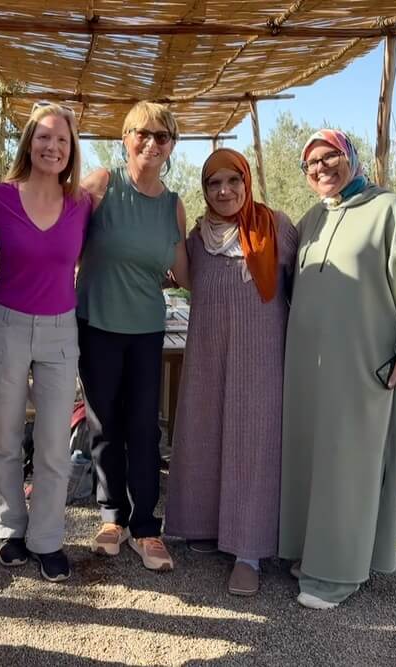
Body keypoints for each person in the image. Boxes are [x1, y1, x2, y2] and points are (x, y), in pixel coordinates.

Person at [278, 129, 396, 609]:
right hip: (310, 370)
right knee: (313, 459)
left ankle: (336, 573)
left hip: (362, 368)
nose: (321, 168)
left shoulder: (390, 211)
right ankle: (312, 553)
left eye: (330, 157)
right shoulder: (312, 218)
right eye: (311, 163)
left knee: (348, 466)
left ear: (350, 156)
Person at [164, 148, 297, 596]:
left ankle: (248, 551)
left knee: (251, 446)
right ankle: (202, 525)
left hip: (260, 361)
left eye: (232, 181)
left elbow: (305, 290)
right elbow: (178, 278)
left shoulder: (276, 227)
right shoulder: (199, 238)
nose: (224, 191)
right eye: (213, 184)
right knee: (204, 434)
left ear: (246, 181)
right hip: (207, 356)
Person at [77, 101, 188, 571]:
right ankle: (111, 517)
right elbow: (59, 236)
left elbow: (185, 272)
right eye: (142, 133)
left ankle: (145, 526)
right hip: (96, 324)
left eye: (162, 137)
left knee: (144, 426)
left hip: (145, 329)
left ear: (171, 147)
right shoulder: (103, 185)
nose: (151, 143)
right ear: (125, 138)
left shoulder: (173, 206)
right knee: (104, 424)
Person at [0, 102, 91, 582]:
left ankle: (47, 539)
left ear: (72, 151)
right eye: (44, 137)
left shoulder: (83, 204)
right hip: (6, 323)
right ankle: (10, 529)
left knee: (51, 442)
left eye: (62, 140)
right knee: (3, 435)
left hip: (60, 329)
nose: (52, 146)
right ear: (29, 142)